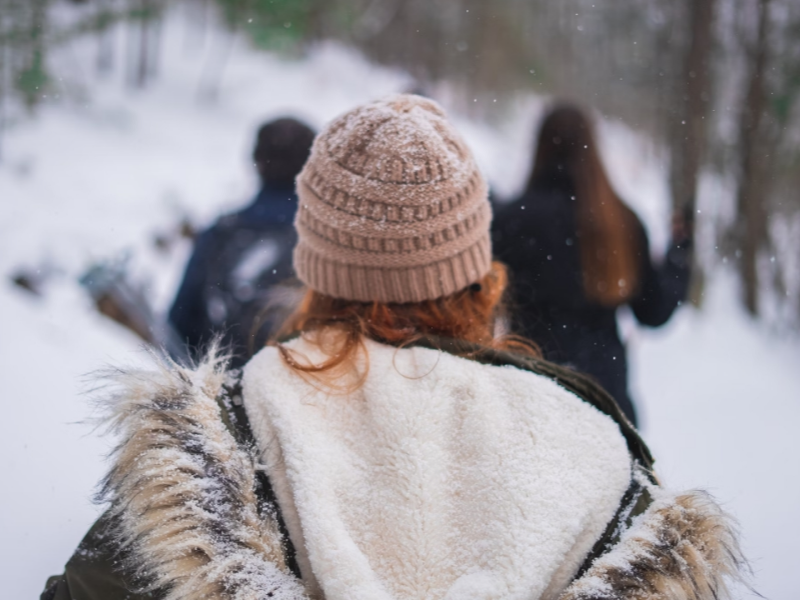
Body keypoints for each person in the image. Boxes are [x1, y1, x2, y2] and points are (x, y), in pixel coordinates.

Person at [43, 95, 741, 600]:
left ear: (314, 273)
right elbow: (655, 307)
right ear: (484, 280)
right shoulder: (597, 464)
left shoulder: (222, 449)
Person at [493, 103, 693, 427]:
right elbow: (654, 311)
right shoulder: (621, 224)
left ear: (540, 147)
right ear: (593, 150)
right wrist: (678, 256)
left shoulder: (509, 220)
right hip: (604, 405)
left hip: (526, 402)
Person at [169, 117, 316, 367]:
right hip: (304, 393)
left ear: (256, 162)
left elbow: (179, 325)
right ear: (314, 167)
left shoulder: (221, 233)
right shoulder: (327, 244)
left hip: (224, 392)